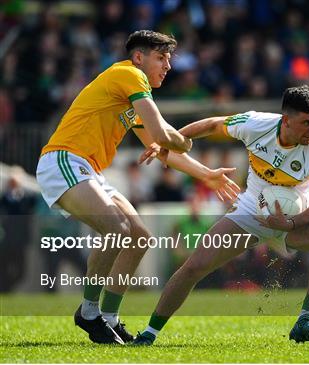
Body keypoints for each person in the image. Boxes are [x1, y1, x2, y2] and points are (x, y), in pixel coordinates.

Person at [35, 30, 240, 345]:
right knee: (116, 228)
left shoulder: (131, 92)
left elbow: (162, 149)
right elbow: (162, 134)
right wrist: (182, 138)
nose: (168, 66)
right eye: (161, 57)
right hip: (62, 160)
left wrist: (206, 174)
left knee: (140, 237)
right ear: (139, 57)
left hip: (86, 167)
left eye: (169, 58)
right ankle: (88, 312)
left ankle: (109, 317)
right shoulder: (130, 75)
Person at [132, 85, 309, 345]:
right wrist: (167, 142)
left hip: (295, 219)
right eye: (307, 123)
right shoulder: (256, 124)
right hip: (250, 214)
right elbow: (213, 125)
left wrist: (290, 223)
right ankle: (149, 333)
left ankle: (305, 319)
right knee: (194, 267)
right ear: (286, 120)